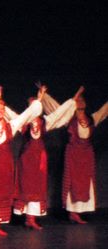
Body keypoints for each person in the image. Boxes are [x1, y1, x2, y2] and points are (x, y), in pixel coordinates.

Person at [10, 86, 79, 229]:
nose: (34, 106)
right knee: (26, 186)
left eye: (35, 104)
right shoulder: (23, 121)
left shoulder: (44, 122)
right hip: (26, 158)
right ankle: (27, 218)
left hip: (39, 158)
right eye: (31, 105)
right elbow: (8, 115)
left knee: (37, 187)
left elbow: (58, 114)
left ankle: (31, 218)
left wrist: (73, 101)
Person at [0, 87, 43, 236]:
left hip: (6, 163)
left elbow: (27, 115)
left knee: (3, 191)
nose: (0, 111)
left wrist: (39, 100)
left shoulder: (11, 126)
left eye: (2, 109)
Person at [46, 88, 108, 223]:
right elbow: (55, 109)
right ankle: (73, 213)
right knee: (73, 182)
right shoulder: (70, 119)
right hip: (73, 154)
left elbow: (104, 111)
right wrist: (44, 96)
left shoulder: (91, 119)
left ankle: (82, 210)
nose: (80, 102)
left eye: (82, 100)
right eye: (78, 100)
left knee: (86, 182)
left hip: (86, 155)